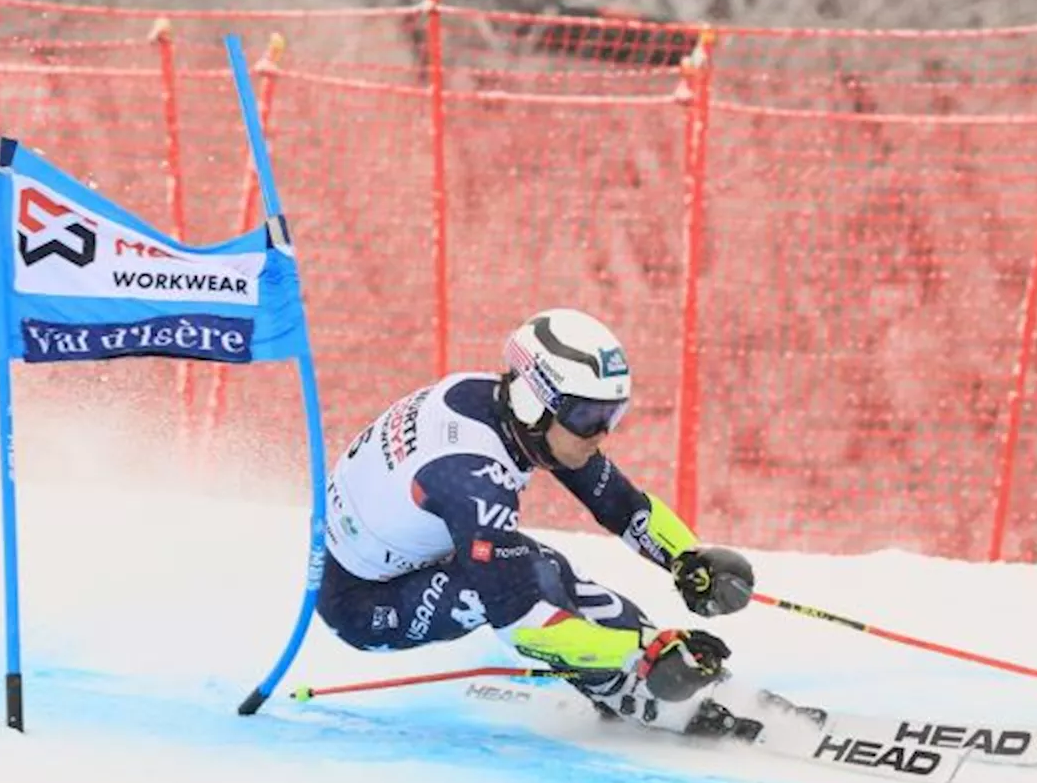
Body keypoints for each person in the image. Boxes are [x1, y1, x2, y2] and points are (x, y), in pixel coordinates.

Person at [314, 307, 759, 735]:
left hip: (398, 554)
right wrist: (641, 653)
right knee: (535, 575)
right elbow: (520, 621)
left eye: (613, 415)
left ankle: (640, 674)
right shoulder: (472, 476)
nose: (602, 434)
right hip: (364, 604)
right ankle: (627, 691)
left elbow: (618, 503)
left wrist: (685, 557)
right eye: (589, 417)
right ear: (534, 400)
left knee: (538, 566)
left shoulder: (514, 413)